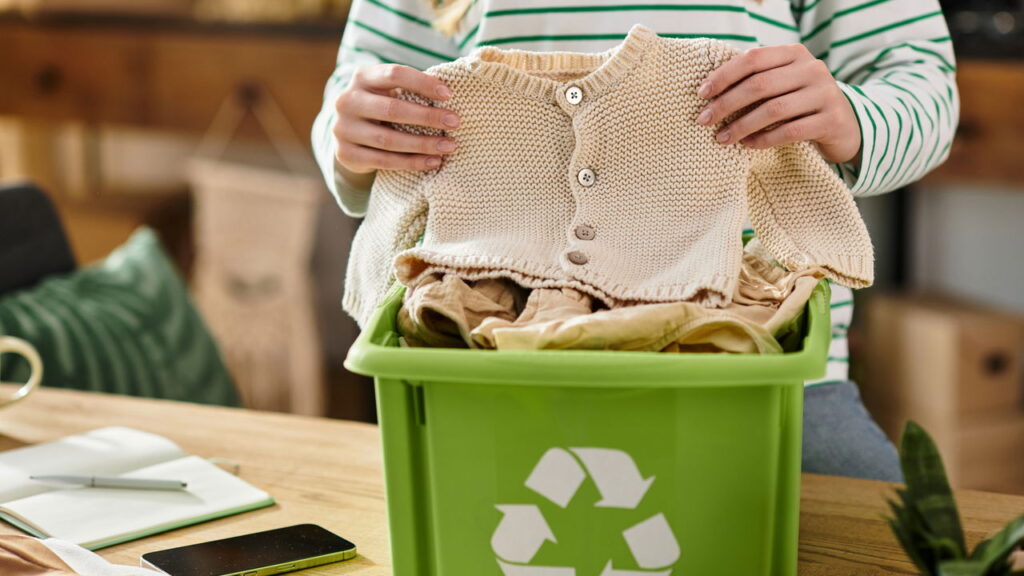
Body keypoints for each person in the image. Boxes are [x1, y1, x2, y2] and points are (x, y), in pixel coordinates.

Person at [312, 0, 959, 482]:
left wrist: (851, 119)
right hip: (485, 372)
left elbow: (921, 80)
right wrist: (352, 136)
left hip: (769, 383)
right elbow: (356, 84)